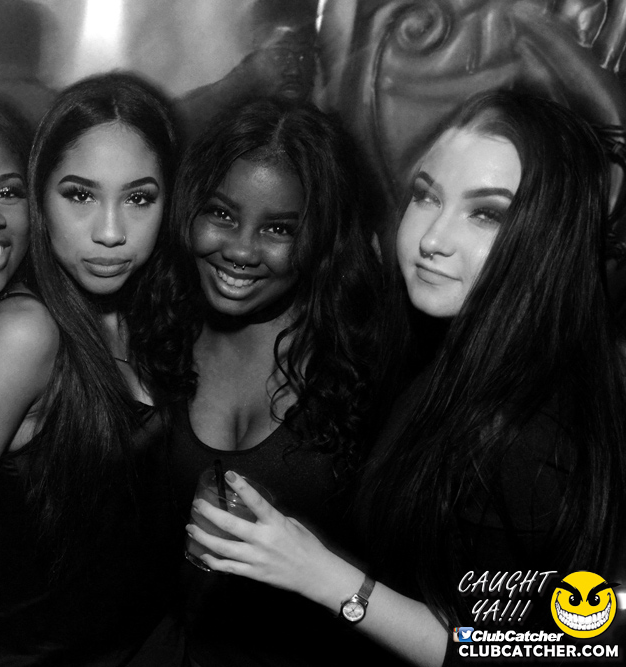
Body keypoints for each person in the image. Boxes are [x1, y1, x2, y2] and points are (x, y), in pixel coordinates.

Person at [185, 91, 626, 665]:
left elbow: (539, 649)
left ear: (550, 236)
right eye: (426, 195)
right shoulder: (447, 357)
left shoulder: (530, 436)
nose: (432, 239)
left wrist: (322, 575)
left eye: (486, 213)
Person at [0, 72, 185, 667]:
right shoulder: (24, 333)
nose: (110, 232)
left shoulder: (158, 320)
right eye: (80, 195)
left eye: (138, 198)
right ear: (40, 197)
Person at [159, 97, 382, 665]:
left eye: (279, 228)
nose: (240, 250)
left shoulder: (366, 359)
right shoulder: (155, 331)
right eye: (222, 214)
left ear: (321, 238)